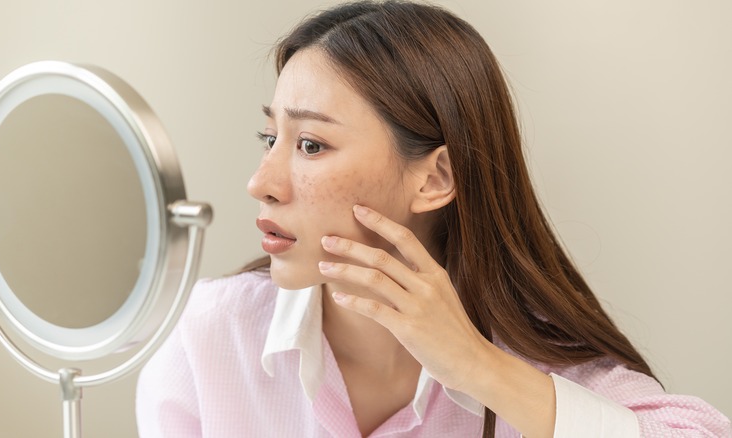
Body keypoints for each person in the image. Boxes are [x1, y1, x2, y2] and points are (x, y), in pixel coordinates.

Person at [136, 1, 730, 436]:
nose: (261, 182)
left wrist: (477, 366)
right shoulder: (208, 336)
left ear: (435, 177)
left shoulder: (536, 363)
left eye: (311, 145)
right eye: (271, 136)